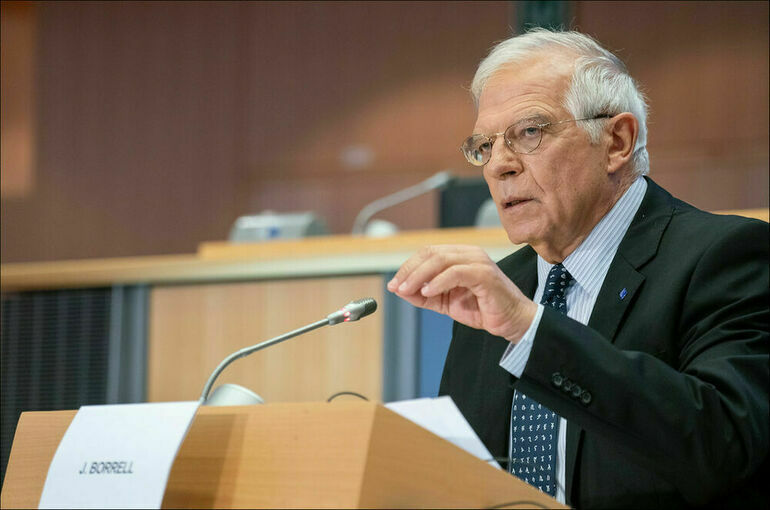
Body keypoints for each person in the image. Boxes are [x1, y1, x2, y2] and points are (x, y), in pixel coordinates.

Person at [387, 29, 768, 508]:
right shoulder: (498, 291)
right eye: (485, 145)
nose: (499, 165)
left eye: (530, 132)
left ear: (617, 141)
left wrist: (531, 330)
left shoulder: (725, 257)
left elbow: (724, 443)